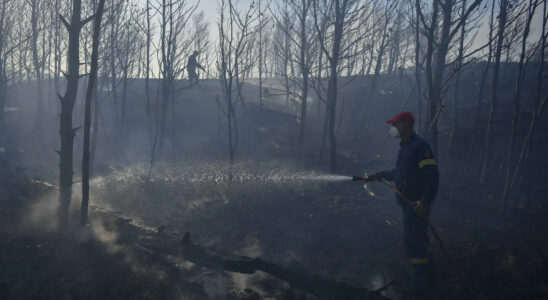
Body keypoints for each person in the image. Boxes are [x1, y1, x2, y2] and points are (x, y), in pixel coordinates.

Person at [366, 111, 439, 294]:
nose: (393, 129)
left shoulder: (420, 147)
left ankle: (420, 283)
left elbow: (432, 176)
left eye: (395, 125)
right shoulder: (405, 147)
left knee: (413, 241)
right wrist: (378, 175)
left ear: (405, 125)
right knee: (420, 238)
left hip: (415, 205)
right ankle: (430, 275)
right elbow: (398, 172)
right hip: (409, 204)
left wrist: (424, 202)